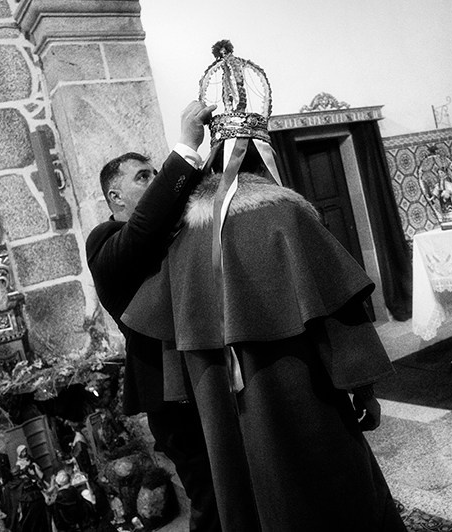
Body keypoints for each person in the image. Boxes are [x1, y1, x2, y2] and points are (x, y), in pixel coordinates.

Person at [121, 41, 406, 532]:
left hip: (219, 403)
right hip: (295, 391)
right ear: (263, 154)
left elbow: (170, 335)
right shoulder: (286, 211)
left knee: (246, 495)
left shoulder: (184, 230)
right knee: (324, 490)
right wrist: (363, 388)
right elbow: (337, 318)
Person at [85, 101, 221, 532]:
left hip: (211, 374)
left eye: (154, 174)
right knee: (211, 499)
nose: (156, 182)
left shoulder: (170, 228)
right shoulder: (105, 240)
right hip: (172, 393)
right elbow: (142, 229)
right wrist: (184, 147)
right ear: (115, 197)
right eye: (144, 177)